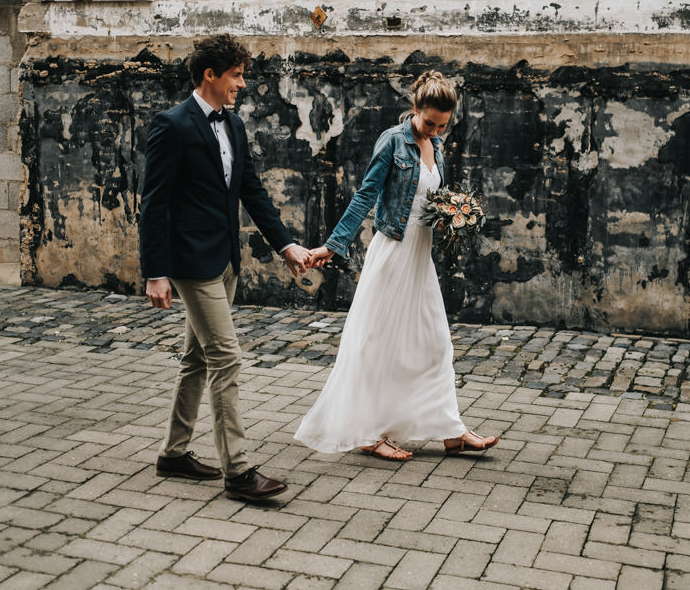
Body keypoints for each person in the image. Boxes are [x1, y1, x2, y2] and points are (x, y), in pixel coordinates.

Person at [139, 33, 311, 500]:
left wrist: (286, 246)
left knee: (197, 358)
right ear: (210, 75)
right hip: (191, 264)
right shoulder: (171, 125)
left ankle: (173, 455)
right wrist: (156, 272)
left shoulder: (233, 125)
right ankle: (238, 472)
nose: (242, 84)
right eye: (236, 75)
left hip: (226, 260)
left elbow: (250, 191)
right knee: (226, 358)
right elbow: (153, 204)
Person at [294, 71, 498, 461]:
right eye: (429, 122)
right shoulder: (392, 141)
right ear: (415, 108)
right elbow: (365, 195)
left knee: (434, 341)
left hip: (420, 258)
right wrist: (333, 246)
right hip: (392, 254)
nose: (436, 130)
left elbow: (432, 199)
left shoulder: (436, 145)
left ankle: (449, 429)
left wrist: (456, 215)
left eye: (443, 125)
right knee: (375, 342)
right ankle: (369, 433)